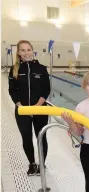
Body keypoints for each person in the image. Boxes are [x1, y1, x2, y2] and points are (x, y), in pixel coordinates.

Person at [8, 40, 51, 176]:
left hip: (40, 108)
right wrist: (20, 105)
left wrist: (37, 106)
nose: (26, 53)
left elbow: (46, 89)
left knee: (41, 136)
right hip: (22, 110)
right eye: (23, 50)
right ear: (19, 53)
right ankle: (32, 164)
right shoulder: (14, 69)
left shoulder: (41, 69)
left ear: (32, 51)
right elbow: (12, 90)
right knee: (26, 137)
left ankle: (42, 164)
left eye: (28, 50)